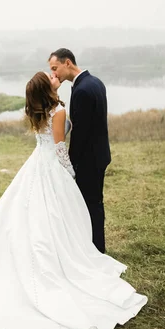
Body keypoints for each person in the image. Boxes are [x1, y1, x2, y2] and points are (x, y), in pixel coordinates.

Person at [0, 72, 147, 329]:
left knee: (36, 213)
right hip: (51, 166)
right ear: (48, 88)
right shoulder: (59, 111)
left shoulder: (38, 110)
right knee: (53, 213)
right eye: (51, 77)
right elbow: (59, 147)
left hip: (36, 163)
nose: (55, 77)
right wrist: (71, 173)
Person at [48, 48, 110, 253]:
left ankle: (96, 251)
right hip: (100, 154)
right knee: (95, 203)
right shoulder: (95, 82)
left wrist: (71, 164)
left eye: (55, 68)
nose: (54, 74)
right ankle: (96, 247)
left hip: (88, 160)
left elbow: (81, 134)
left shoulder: (82, 90)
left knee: (88, 206)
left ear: (68, 63)